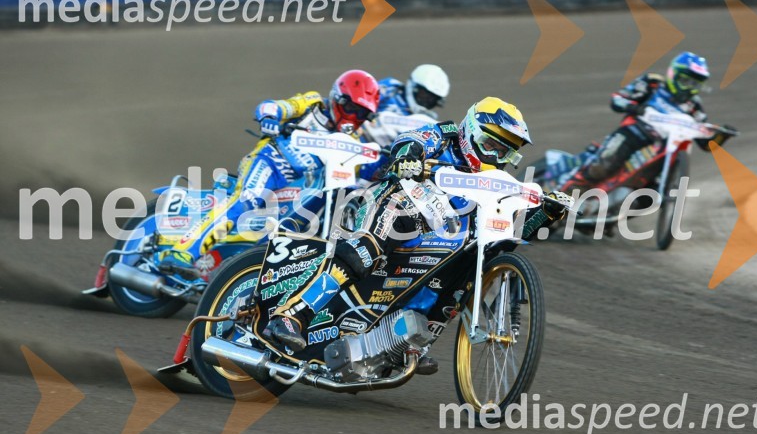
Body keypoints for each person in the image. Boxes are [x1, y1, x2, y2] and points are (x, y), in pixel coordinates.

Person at [261, 96, 573, 354]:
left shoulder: (495, 183)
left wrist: (545, 213)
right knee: (367, 248)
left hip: (436, 241)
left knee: (465, 273)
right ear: (473, 132)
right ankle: (293, 315)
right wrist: (409, 157)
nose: (496, 157)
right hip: (397, 202)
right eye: (492, 146)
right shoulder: (446, 133)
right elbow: (410, 140)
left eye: (505, 152)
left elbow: (510, 238)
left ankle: (409, 344)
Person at [158, 70, 380, 278]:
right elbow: (272, 107)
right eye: (352, 109)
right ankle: (182, 251)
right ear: (336, 99)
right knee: (247, 201)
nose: (354, 118)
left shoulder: (355, 142)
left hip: (302, 188)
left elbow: (364, 174)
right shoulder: (312, 104)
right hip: (271, 161)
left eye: (362, 114)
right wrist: (270, 119)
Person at [566, 51, 734, 189]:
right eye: (686, 81)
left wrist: (722, 135)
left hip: (663, 149)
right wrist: (636, 107)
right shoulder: (653, 83)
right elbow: (618, 99)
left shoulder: (694, 106)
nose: (690, 88)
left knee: (649, 196)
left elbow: (705, 143)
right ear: (673, 75)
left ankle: (609, 217)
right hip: (634, 133)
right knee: (603, 165)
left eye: (695, 84)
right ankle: (564, 192)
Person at [360, 64, 451, 181]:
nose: (426, 102)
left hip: (393, 158)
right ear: (413, 87)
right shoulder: (387, 90)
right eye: (424, 96)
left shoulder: (429, 121)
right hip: (364, 144)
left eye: (432, 100)